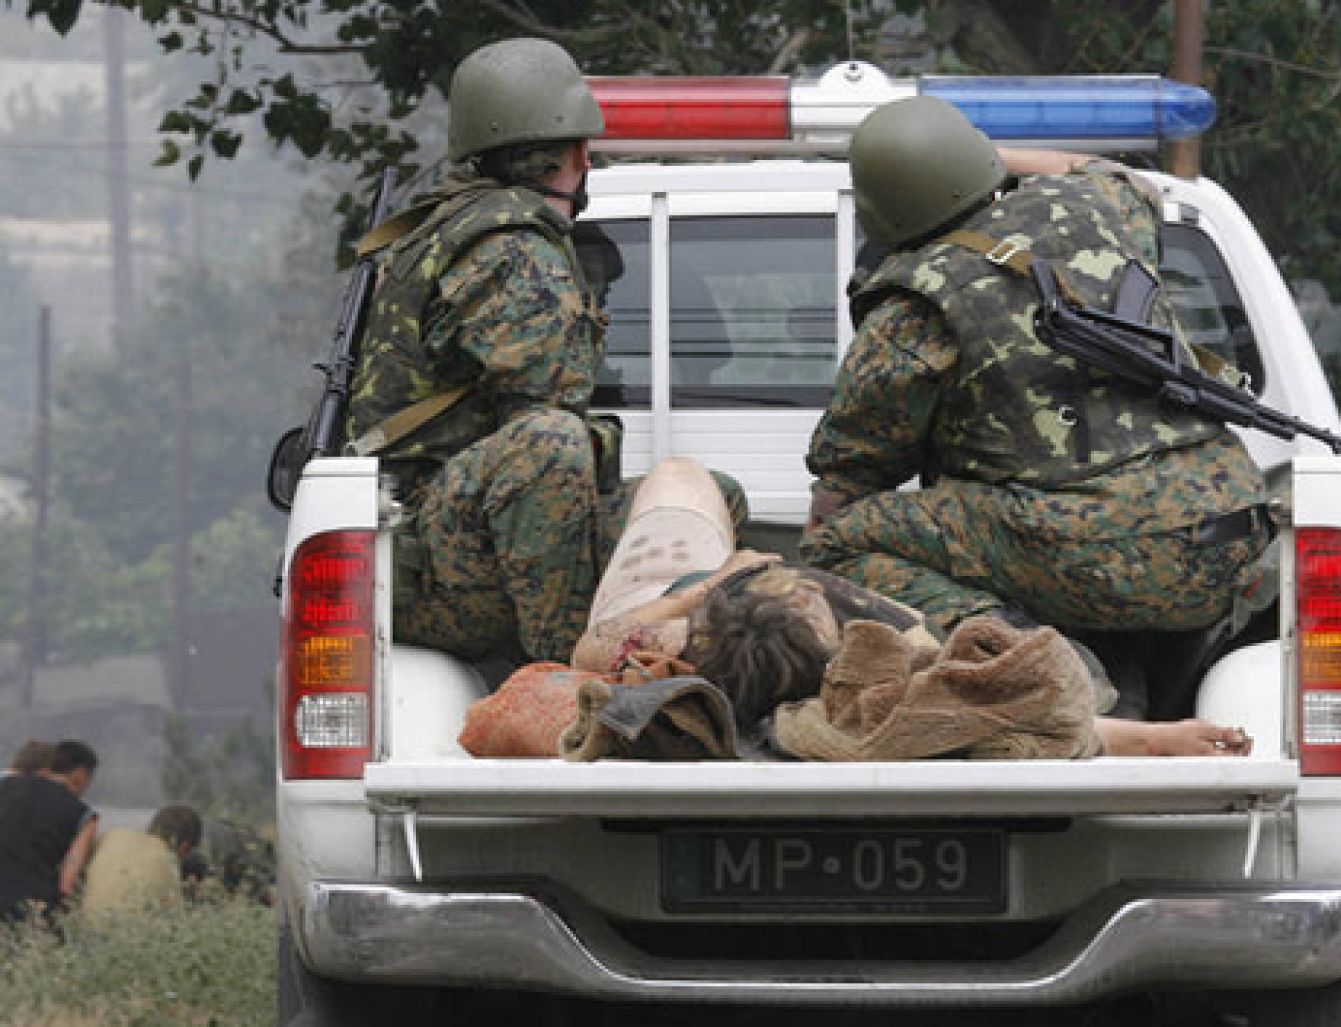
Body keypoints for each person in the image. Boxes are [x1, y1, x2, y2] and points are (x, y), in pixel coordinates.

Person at [800, 97, 1271, 670]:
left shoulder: (909, 309)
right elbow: (1120, 177)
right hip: (1229, 532)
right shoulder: (1091, 208)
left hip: (1085, 557)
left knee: (833, 547)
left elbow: (849, 473)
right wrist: (988, 156)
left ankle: (1033, 662)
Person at [571, 458, 1251, 757]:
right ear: (832, 646)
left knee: (684, 476)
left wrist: (709, 584)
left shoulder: (680, 641)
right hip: (713, 604)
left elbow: (591, 648)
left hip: (668, 583)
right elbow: (1016, 717)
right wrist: (1161, 737)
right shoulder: (895, 667)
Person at [343, 37, 637, 666]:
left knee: (709, 494)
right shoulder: (507, 245)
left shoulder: (447, 224)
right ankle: (563, 670)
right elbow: (551, 406)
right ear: (578, 152)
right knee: (551, 441)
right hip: (438, 559)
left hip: (437, 537)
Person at [0, 739, 98, 923]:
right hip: (28, 909)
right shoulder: (84, 815)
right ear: (81, 774)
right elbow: (68, 881)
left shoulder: (4, 784)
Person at [79, 803, 203, 917]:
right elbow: (177, 918)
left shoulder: (112, 836)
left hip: (86, 925)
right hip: (126, 931)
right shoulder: (169, 867)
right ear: (184, 847)